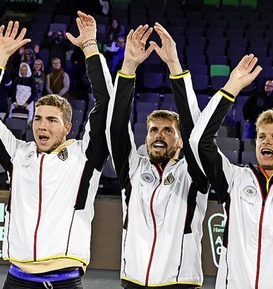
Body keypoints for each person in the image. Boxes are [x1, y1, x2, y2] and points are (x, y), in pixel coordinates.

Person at [0, 13, 111, 288]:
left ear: (68, 127)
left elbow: (105, 103)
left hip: (64, 281)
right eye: (38, 119)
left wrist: (90, 46)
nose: (42, 126)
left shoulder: (85, 157)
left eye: (51, 120)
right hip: (16, 279)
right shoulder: (18, 155)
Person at [189, 45, 273, 289]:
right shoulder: (234, 180)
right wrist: (231, 88)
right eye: (262, 136)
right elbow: (199, 141)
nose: (266, 141)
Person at [107, 23, 209, 289]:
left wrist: (174, 65)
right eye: (153, 130)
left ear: (181, 139)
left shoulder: (194, 173)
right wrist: (128, 67)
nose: (159, 135)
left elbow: (196, 129)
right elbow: (116, 126)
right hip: (133, 280)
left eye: (168, 130)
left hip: (180, 283)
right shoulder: (133, 169)